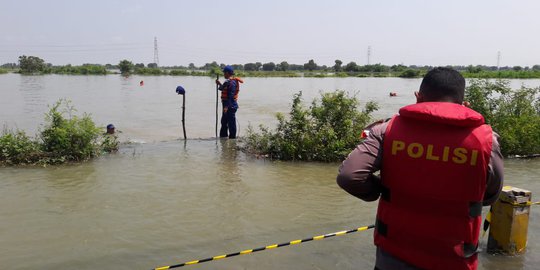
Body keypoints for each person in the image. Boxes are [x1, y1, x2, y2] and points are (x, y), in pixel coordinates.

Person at [337, 67, 503, 270]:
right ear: (464, 104)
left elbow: (349, 176)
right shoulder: (486, 140)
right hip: (455, 258)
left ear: (418, 97)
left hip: (394, 255)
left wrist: (381, 190)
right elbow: (491, 195)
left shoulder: (387, 130)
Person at [215, 65, 244, 139]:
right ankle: (223, 138)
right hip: (226, 105)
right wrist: (219, 84)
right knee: (224, 122)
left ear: (227, 73)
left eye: (224, 73)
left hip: (230, 105)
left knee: (231, 123)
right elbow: (222, 88)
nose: (223, 74)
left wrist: (226, 107)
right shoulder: (227, 81)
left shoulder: (232, 82)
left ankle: (232, 139)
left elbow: (231, 95)